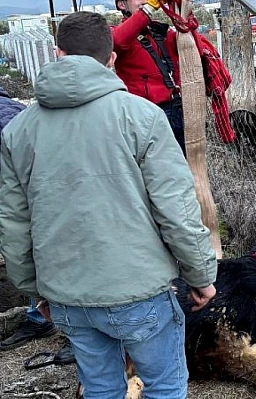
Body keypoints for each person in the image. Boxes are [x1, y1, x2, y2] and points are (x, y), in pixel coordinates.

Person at [0, 11, 217, 398]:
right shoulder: (142, 116)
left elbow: (13, 222)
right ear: (112, 58)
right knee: (165, 385)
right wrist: (200, 274)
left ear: (57, 53)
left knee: (100, 387)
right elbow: (176, 209)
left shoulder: (19, 129)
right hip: (139, 290)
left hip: (65, 293)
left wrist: (34, 289)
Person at [0, 86, 62, 353]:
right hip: (30, 192)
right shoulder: (12, 110)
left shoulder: (9, 119)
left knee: (43, 250)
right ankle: (41, 317)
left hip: (37, 195)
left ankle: (66, 326)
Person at [112, 0, 187, 155]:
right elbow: (117, 42)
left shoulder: (159, 31)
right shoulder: (117, 33)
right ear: (121, 4)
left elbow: (186, 44)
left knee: (180, 166)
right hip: (144, 114)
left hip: (175, 109)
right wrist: (148, 9)